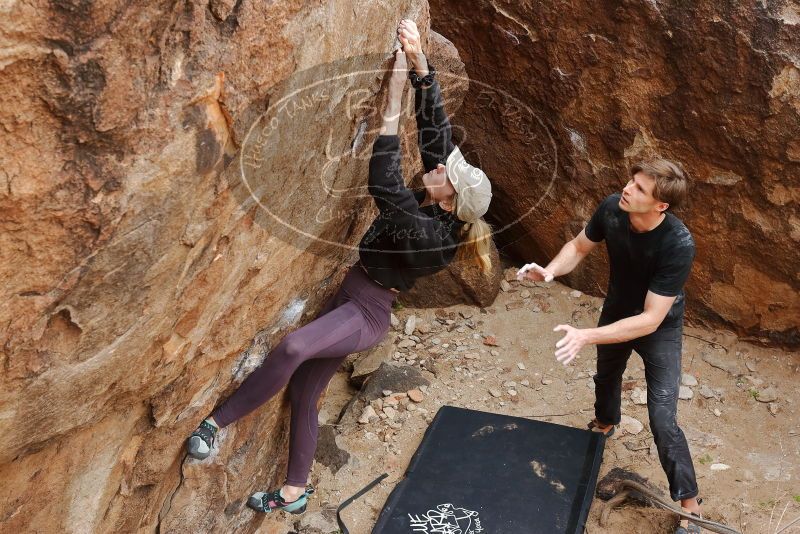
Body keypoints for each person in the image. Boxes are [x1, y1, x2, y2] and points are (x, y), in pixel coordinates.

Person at [185, 20, 493, 515]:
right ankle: (295, 492)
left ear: (450, 197)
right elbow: (435, 128)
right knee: (305, 395)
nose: (438, 164)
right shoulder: (442, 199)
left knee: (294, 347)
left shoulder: (432, 236)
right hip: (352, 294)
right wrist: (417, 61)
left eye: (446, 172)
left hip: (366, 313)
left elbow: (385, 185)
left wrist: (390, 108)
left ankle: (214, 426)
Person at [518, 160, 703, 533]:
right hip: (618, 307)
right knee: (606, 375)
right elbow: (579, 245)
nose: (627, 189)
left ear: (660, 206)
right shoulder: (612, 209)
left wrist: (586, 334)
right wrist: (552, 271)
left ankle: (690, 504)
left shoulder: (678, 243)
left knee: (663, 419)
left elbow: (651, 318)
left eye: (638, 188)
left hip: (658, 327)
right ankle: (604, 424)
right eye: (631, 181)